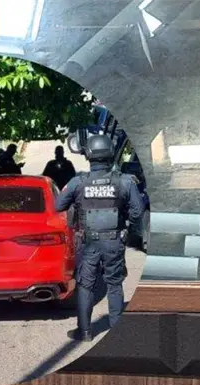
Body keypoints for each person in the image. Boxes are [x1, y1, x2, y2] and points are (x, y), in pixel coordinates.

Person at [55, 133, 143, 342]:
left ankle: (85, 332)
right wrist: (125, 222)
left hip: (88, 242)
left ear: (89, 155)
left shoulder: (78, 182)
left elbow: (58, 205)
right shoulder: (125, 182)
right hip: (114, 240)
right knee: (114, 284)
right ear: (111, 154)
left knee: (86, 285)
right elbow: (138, 212)